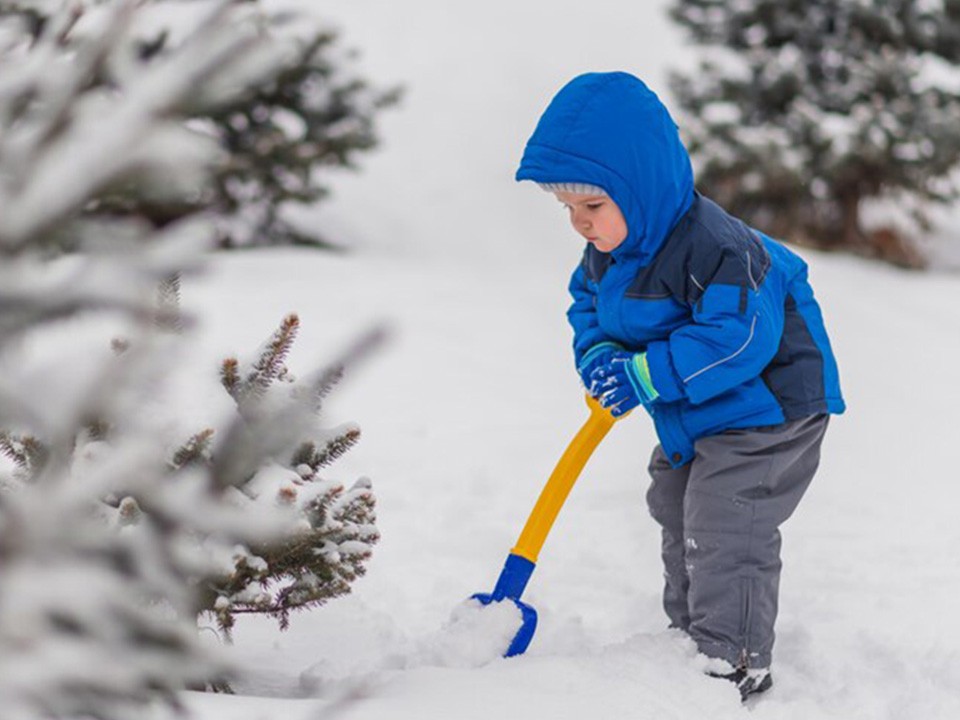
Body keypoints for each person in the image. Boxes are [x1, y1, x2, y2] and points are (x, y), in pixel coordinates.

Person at [515, 72, 845, 701]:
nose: (580, 224)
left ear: (640, 190)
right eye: (568, 209)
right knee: (675, 504)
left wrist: (647, 374)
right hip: (698, 407)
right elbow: (589, 308)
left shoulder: (717, 248)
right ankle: (690, 640)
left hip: (769, 409)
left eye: (593, 206)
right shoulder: (609, 255)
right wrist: (605, 354)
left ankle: (733, 661)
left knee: (727, 519)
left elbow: (740, 339)